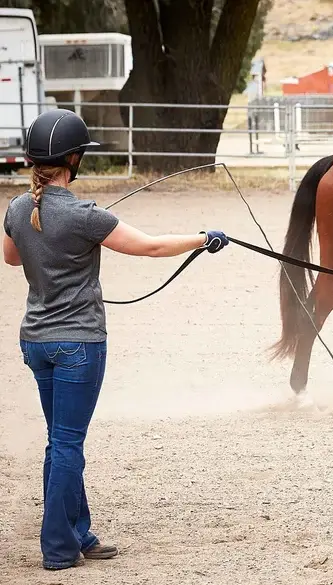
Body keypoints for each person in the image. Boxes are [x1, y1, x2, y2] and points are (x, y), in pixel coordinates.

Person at [2, 109, 230, 570]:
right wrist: (202, 238)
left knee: (59, 442)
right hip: (78, 344)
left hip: (36, 342)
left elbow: (11, 257)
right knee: (67, 445)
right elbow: (149, 246)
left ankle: (78, 533)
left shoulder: (18, 208)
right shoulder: (84, 215)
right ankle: (58, 548)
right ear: (74, 159)